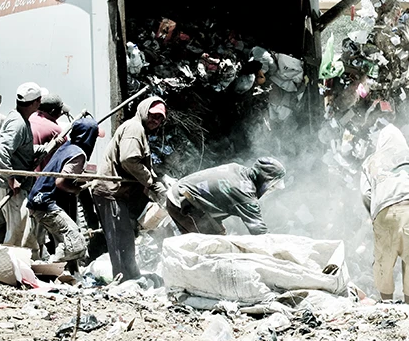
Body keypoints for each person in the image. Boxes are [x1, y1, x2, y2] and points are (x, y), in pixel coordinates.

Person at [361, 124, 409, 311]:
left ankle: (387, 309)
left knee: (384, 264)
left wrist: (375, 214)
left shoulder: (370, 161)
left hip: (383, 212)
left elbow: (365, 194)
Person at [91, 96, 168, 281]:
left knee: (124, 237)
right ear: (143, 111)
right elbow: (129, 159)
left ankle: (129, 275)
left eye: (160, 119)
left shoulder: (138, 129)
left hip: (117, 192)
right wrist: (151, 181)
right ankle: (124, 279)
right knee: (120, 239)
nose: (155, 121)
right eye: (153, 115)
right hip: (110, 191)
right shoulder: (134, 129)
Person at [0, 83, 61, 248]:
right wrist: (11, 177)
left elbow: (20, 148)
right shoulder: (18, 124)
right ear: (36, 103)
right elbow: (1, 150)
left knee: (19, 233)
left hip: (12, 185)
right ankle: (17, 270)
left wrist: (41, 149)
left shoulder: (19, 119)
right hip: (13, 188)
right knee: (19, 236)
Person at [27, 118, 99, 262]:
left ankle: (58, 271)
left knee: (60, 242)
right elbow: (60, 182)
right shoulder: (78, 154)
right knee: (75, 245)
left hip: (36, 198)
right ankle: (54, 265)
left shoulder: (67, 146)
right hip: (46, 203)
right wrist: (76, 189)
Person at [166, 158, 286, 236]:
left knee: (218, 236)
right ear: (264, 180)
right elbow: (259, 232)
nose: (270, 191)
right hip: (182, 202)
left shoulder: (238, 169)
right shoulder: (245, 193)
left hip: (181, 193)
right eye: (272, 187)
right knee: (211, 246)